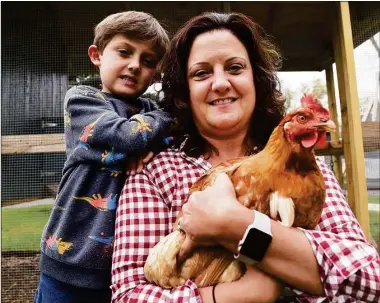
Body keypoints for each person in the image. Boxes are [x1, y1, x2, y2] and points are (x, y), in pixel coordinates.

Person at [111, 12, 380, 303]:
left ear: (256, 79)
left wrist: (236, 225)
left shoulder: (306, 172)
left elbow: (370, 280)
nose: (220, 83)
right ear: (185, 91)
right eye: (201, 73)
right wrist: (250, 290)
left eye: (235, 68)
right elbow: (129, 294)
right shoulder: (155, 171)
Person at [35, 11, 172, 303]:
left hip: (125, 272)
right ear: (97, 55)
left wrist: (150, 138)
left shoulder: (149, 111)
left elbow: (168, 146)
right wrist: (166, 119)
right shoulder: (83, 100)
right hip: (68, 265)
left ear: (155, 74)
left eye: (148, 61)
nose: (135, 65)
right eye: (124, 52)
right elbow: (127, 136)